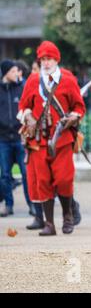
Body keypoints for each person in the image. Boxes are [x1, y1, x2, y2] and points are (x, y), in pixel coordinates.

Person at [18, 41, 86, 236]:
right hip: (38, 140)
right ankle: (49, 223)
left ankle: (68, 217)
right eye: (43, 59)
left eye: (50, 59)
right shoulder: (32, 81)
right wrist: (28, 116)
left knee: (64, 179)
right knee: (43, 181)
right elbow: (23, 107)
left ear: (57, 60)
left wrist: (73, 117)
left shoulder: (68, 79)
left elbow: (79, 107)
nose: (46, 63)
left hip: (62, 138)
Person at [0, 60, 33, 217]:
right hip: (3, 139)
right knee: (5, 174)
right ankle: (8, 205)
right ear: (6, 72)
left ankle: (32, 205)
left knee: (26, 172)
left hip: (20, 138)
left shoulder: (22, 88)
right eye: (13, 71)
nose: (17, 74)